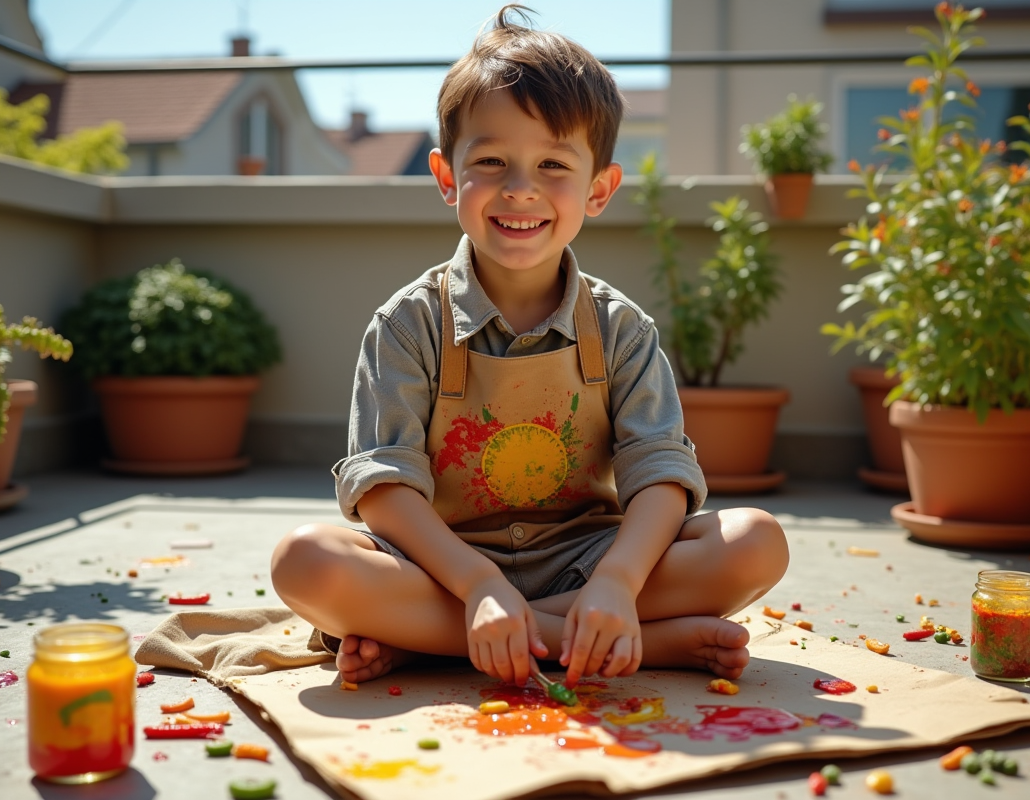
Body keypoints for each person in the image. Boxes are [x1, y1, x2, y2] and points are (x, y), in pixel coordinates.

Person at [270, 5, 788, 689]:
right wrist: (479, 584)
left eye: (553, 163)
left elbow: (660, 474)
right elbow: (383, 488)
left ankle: (440, 642)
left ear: (599, 189)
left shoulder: (622, 329)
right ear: (446, 177)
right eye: (491, 161)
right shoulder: (406, 324)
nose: (521, 188)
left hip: (587, 563)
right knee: (304, 560)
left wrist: (617, 581)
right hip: (439, 570)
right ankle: (603, 641)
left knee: (755, 542)